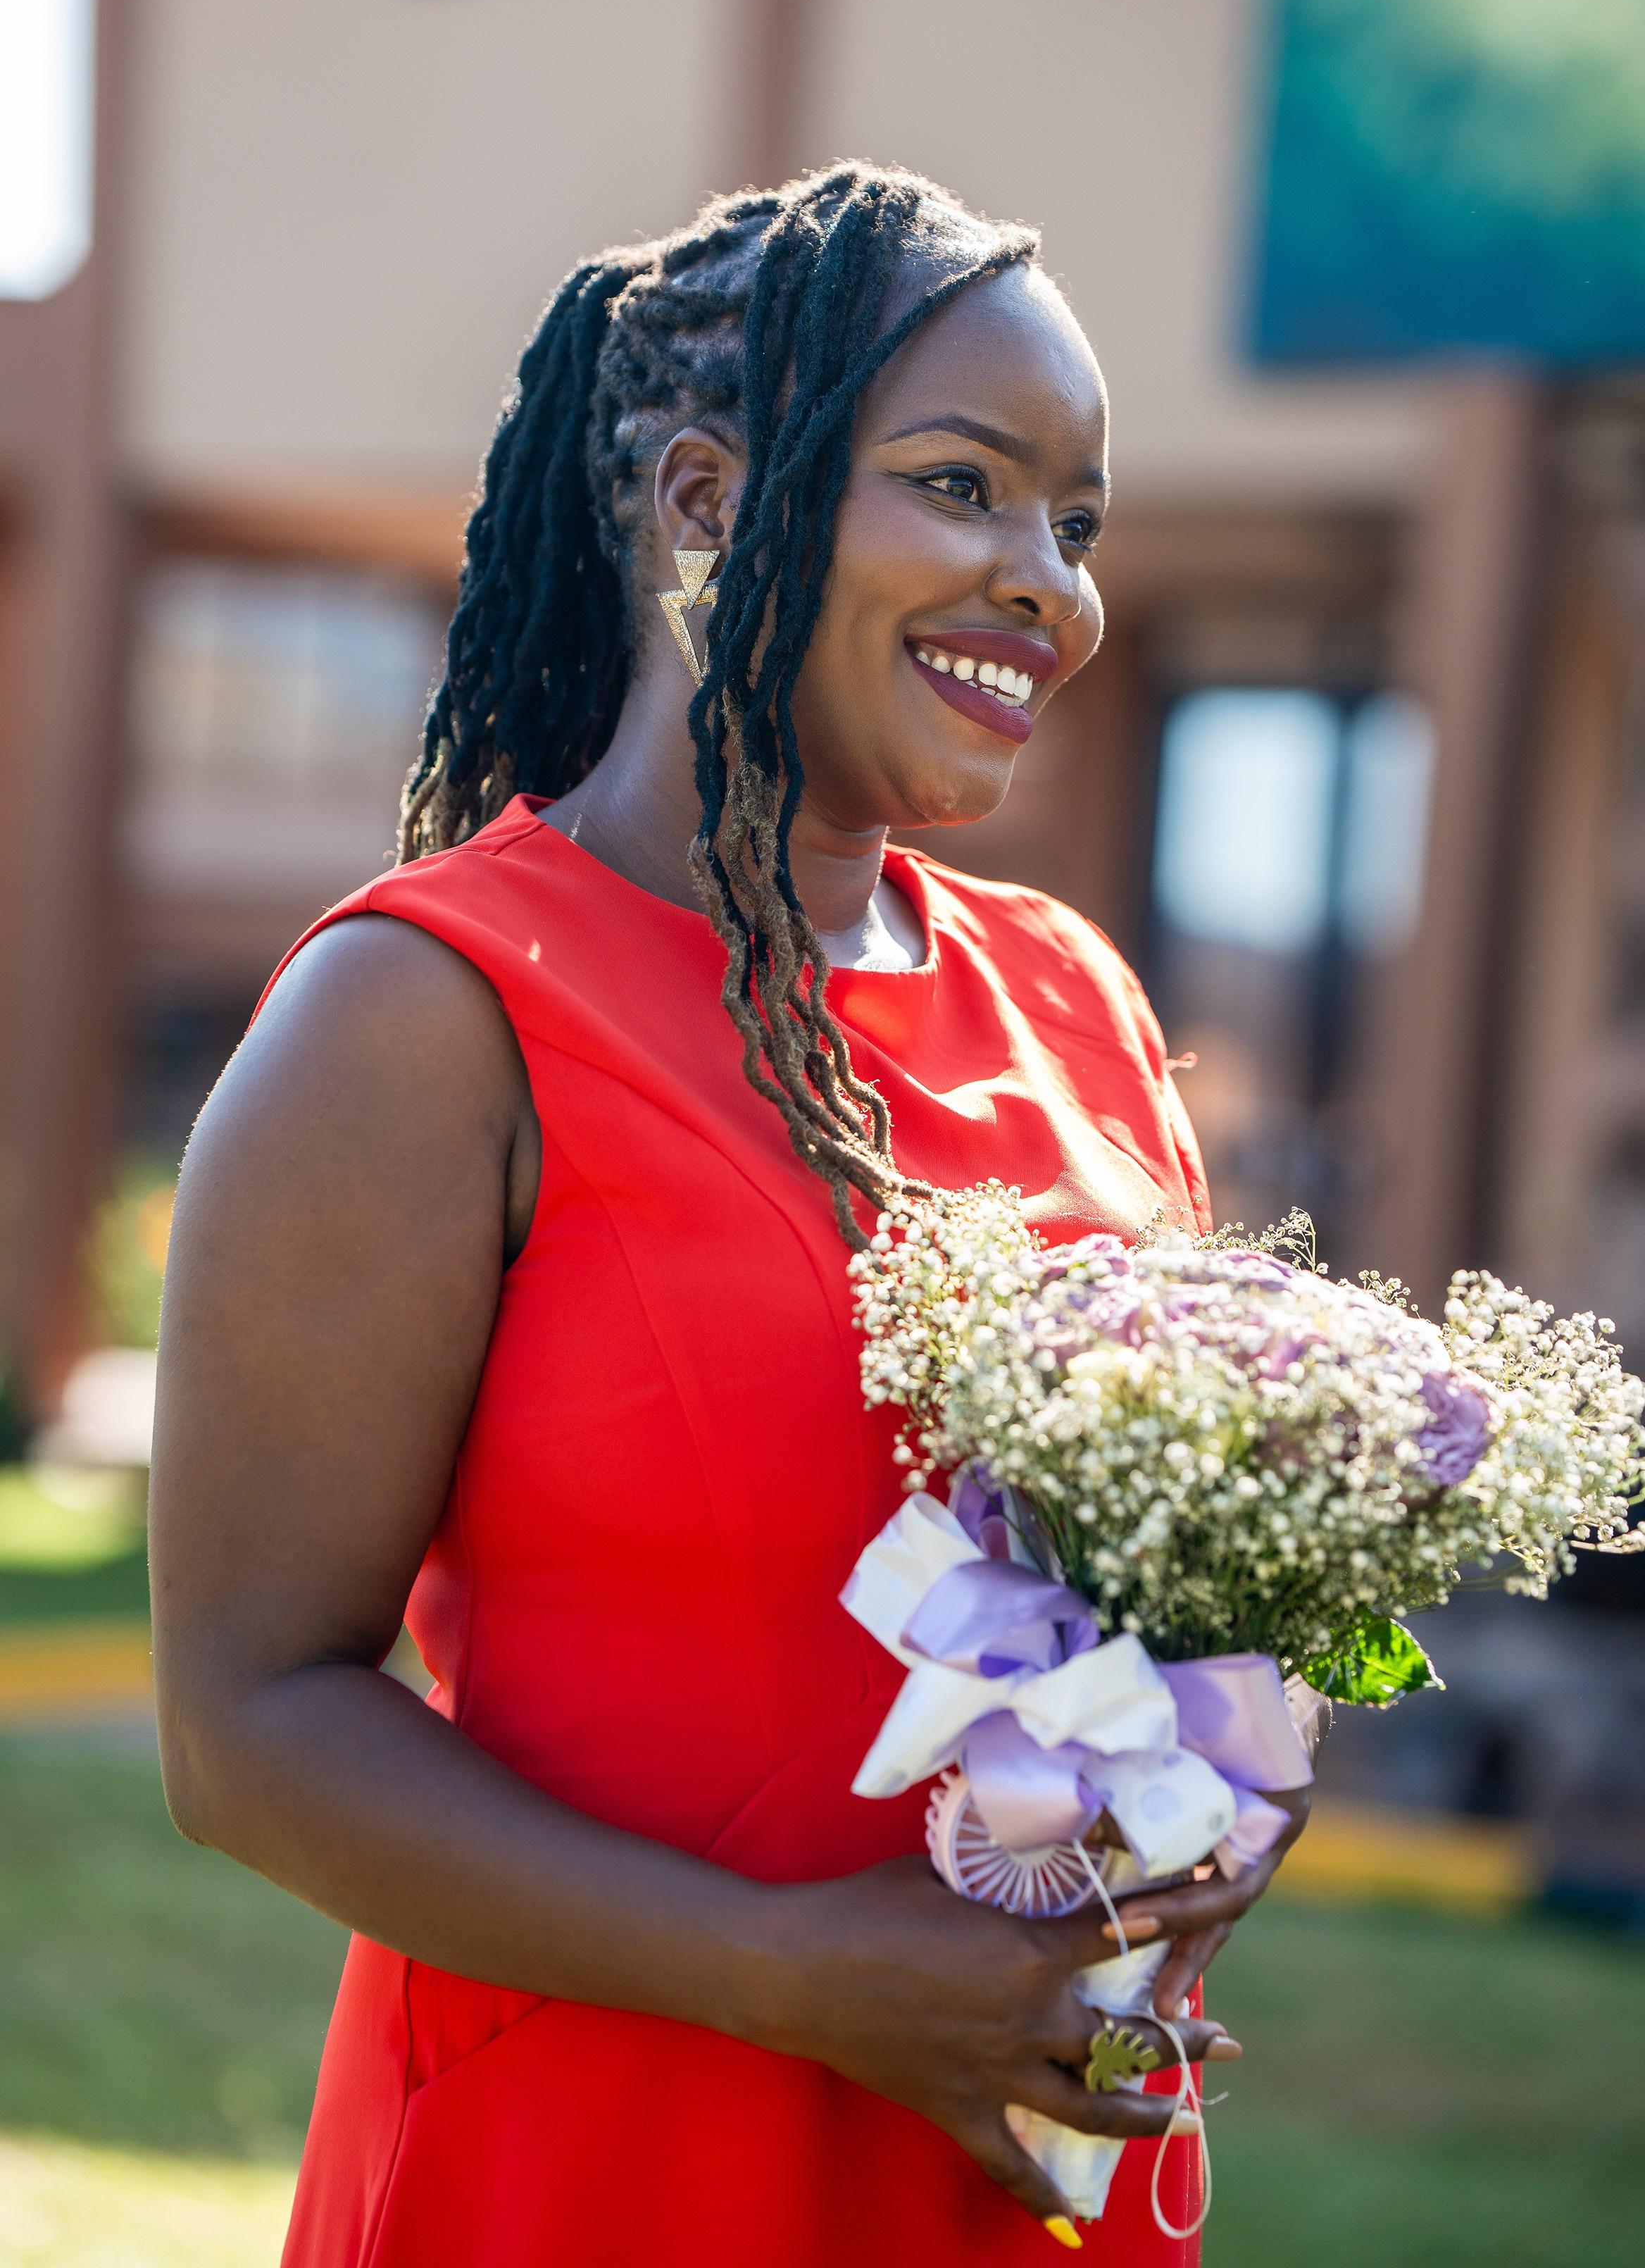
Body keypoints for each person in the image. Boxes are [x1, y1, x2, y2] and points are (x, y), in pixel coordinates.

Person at [149, 163, 1307, 2268]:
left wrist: (1212, 1794)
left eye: (1080, 523)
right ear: (702, 504)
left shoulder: (1080, 1009)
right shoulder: (425, 1015)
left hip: (1016, 2161)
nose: (1049, 585)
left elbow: (1168, 1597)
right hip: (600, 2158)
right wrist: (790, 1971)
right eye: (966, 486)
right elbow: (246, 1727)